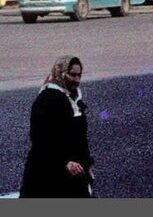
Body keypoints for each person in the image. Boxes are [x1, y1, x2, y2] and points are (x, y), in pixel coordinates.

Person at [19, 55, 95, 198]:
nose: (77, 80)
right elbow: (40, 139)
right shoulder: (47, 100)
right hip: (48, 173)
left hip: (74, 171)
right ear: (61, 73)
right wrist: (64, 162)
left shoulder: (74, 98)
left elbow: (79, 137)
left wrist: (86, 165)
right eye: (72, 75)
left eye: (79, 75)